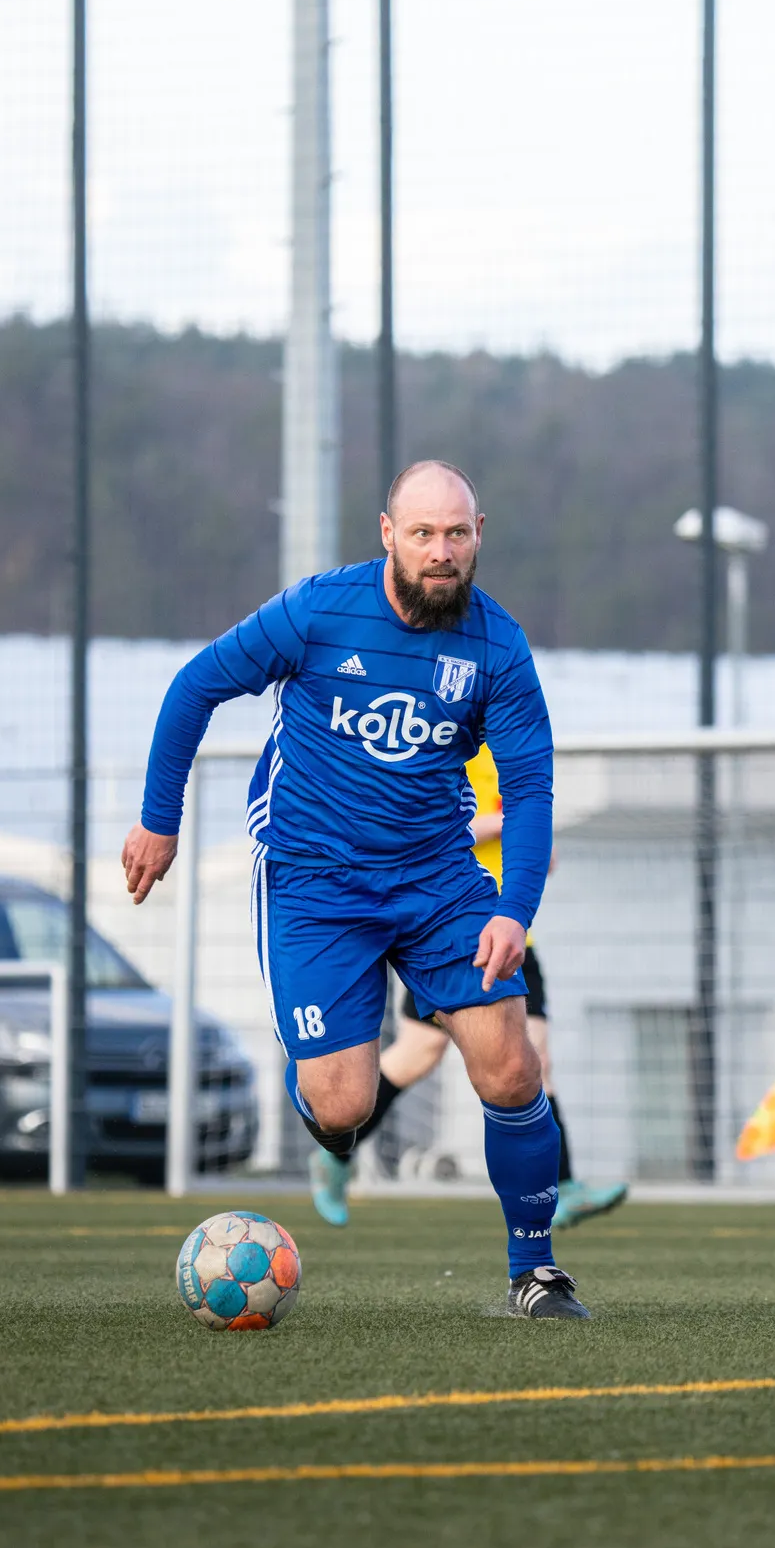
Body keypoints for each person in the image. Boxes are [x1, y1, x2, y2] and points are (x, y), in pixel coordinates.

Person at [123, 460, 590, 1318]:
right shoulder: (316, 611)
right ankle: (326, 1117)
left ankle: (535, 1271)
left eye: (456, 533)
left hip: (438, 878)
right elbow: (195, 687)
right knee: (343, 1108)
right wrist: (160, 820)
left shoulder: (498, 646)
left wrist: (512, 911)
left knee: (511, 1068)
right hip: (314, 880)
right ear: (388, 535)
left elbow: (529, 789)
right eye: (423, 533)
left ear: (478, 535)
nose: (440, 551)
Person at [307, 741, 628, 1231]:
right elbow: (420, 832)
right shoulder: (441, 745)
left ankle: (563, 1187)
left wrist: (536, 845)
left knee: (536, 1059)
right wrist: (497, 826)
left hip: (514, 935)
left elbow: (529, 828)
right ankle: (335, 1152)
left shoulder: (510, 755)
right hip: (453, 935)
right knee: (416, 1055)